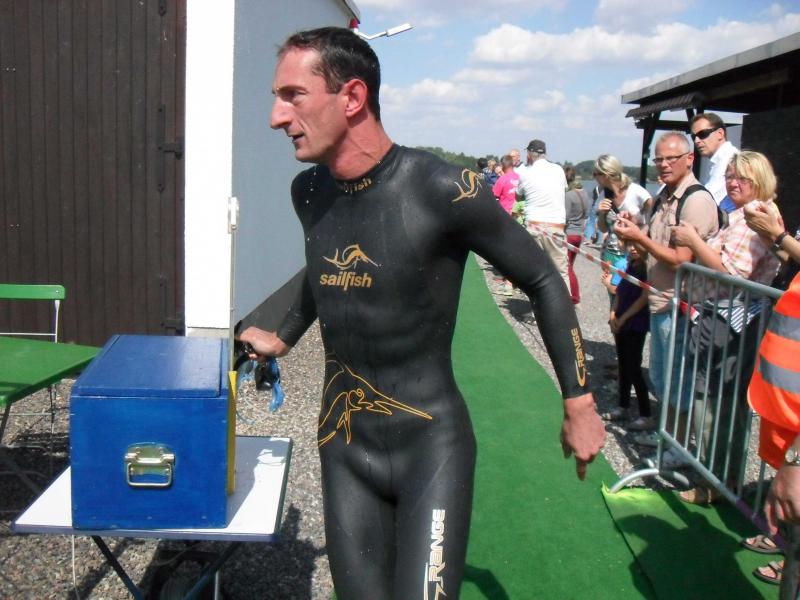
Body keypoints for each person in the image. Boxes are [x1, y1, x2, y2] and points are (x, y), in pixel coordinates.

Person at [239, 27, 604, 600]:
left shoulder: (443, 188)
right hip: (343, 443)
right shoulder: (308, 192)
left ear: (352, 97)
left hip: (430, 445)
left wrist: (578, 401)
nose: (275, 117)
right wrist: (284, 338)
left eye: (292, 95)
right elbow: (323, 266)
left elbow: (542, 280)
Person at [671, 151, 781, 505]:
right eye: (730, 176)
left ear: (759, 181)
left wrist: (693, 241)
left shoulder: (754, 217)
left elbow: (732, 273)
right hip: (733, 318)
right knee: (726, 404)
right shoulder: (751, 214)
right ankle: (724, 480)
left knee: (712, 401)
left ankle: (711, 483)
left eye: (742, 178)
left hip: (729, 321)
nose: (733, 182)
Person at [615, 131, 720, 465]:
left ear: (689, 159)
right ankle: (668, 437)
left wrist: (640, 238)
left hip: (681, 305)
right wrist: (631, 230)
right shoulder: (664, 196)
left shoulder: (696, 200)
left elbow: (679, 259)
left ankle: (678, 448)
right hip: (661, 301)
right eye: (658, 158)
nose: (662, 165)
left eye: (670, 158)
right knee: (662, 378)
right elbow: (649, 243)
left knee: (678, 382)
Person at [603, 243, 653, 430]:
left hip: (636, 322)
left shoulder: (647, 269)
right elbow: (619, 291)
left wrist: (623, 318)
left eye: (637, 246)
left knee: (634, 368)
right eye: (631, 245)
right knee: (623, 366)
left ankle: (645, 414)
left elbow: (643, 298)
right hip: (621, 318)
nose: (633, 249)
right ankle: (622, 406)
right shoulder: (629, 265)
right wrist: (613, 314)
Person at [516, 139, 570, 291]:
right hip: (555, 226)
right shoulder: (558, 170)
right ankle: (564, 305)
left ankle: (538, 305)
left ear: (529, 154)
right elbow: (564, 189)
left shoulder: (525, 173)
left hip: (534, 225)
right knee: (561, 272)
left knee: (535, 272)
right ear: (545, 153)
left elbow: (518, 196)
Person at [690, 112, 738, 212]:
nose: (696, 141)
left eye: (702, 134)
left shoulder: (730, 160)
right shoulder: (720, 160)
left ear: (720, 133)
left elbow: (706, 200)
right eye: (693, 137)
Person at [492, 155, 522, 296]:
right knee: (519, 248)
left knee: (507, 251)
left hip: (506, 217)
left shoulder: (502, 179)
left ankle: (508, 283)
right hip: (520, 216)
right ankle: (518, 280)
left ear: (503, 166)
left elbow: (494, 196)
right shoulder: (520, 177)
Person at [563, 166, 591, 304]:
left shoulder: (569, 195)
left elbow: (565, 216)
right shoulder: (584, 193)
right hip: (579, 234)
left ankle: (574, 296)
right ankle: (569, 293)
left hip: (569, 233)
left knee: (566, 267)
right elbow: (587, 214)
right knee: (570, 265)